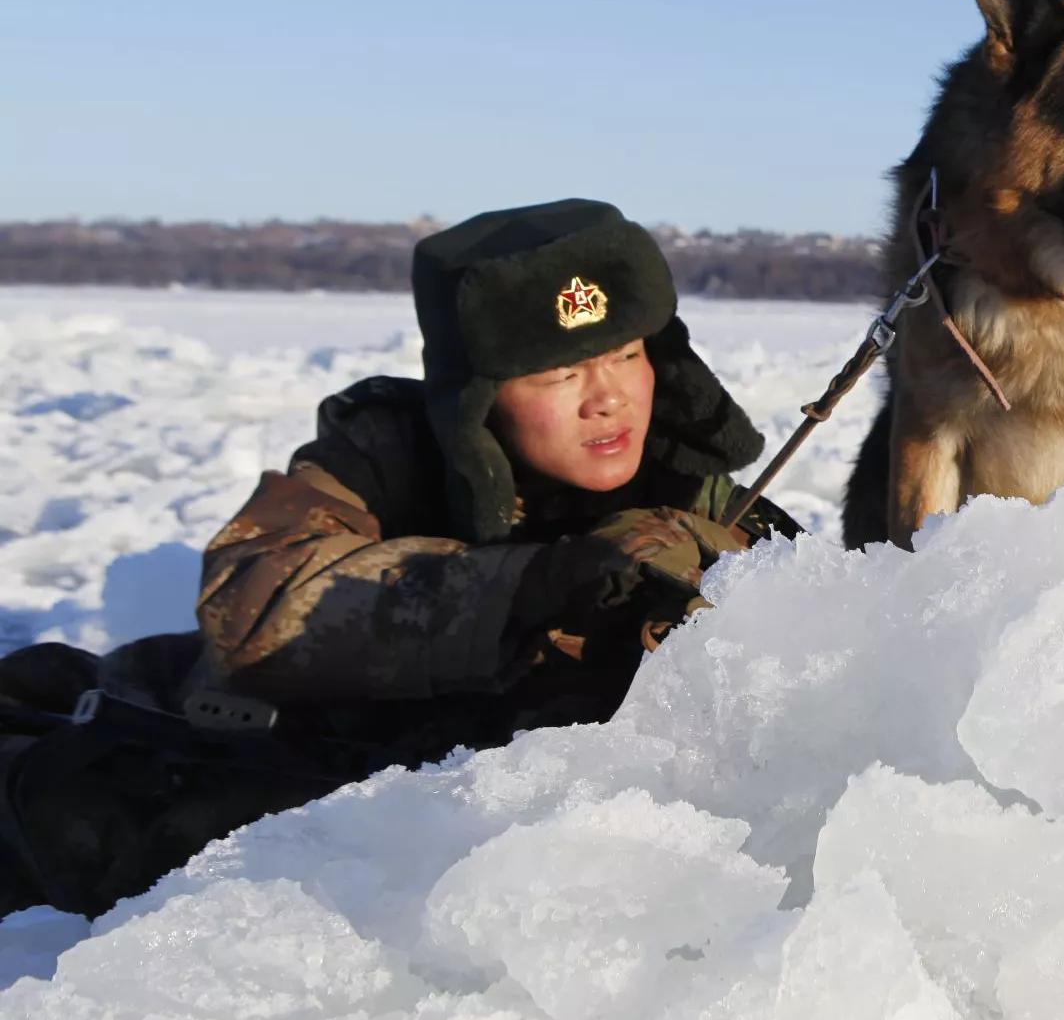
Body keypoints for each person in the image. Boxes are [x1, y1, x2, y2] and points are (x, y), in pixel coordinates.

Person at [0, 199, 795, 917]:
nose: (608, 396)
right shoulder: (387, 452)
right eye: (561, 372)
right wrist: (533, 587)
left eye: (626, 354)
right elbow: (255, 600)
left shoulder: (709, 509)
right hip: (240, 740)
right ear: (477, 398)